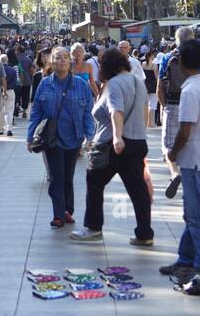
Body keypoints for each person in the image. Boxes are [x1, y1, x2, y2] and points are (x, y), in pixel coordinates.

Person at [71, 48, 154, 246]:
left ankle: (93, 228)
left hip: (114, 144)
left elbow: (117, 111)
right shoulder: (138, 83)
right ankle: (145, 233)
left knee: (95, 181)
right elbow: (143, 110)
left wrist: (117, 137)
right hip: (137, 141)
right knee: (138, 190)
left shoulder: (115, 84)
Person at [161, 39, 200, 295]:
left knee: (198, 215)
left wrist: (173, 152)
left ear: (182, 63)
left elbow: (186, 129)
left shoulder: (189, 91)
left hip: (195, 159)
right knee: (193, 212)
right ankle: (185, 260)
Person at [27, 46, 95, 228]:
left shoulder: (81, 85)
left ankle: (67, 209)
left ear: (70, 61)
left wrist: (90, 136)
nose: (63, 60)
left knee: (68, 175)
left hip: (74, 137)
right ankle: (58, 213)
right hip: (52, 138)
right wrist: (30, 135)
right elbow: (36, 112)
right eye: (58, 57)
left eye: (66, 57)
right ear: (52, 62)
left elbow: (88, 112)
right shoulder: (45, 84)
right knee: (57, 175)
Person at [158, 26, 197, 197]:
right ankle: (188, 185)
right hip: (192, 105)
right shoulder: (197, 58)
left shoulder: (167, 58)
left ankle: (175, 174)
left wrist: (164, 105)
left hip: (173, 105)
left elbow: (160, 87)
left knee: (168, 145)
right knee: (189, 144)